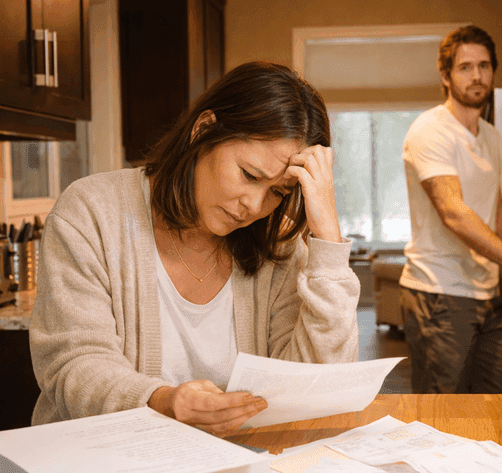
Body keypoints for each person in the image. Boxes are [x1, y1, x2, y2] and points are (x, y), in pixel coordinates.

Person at [29, 61, 360, 436]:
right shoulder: (92, 212)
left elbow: (314, 385)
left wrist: (328, 241)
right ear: (203, 130)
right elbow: (73, 364)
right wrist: (160, 401)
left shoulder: (277, 245)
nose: (254, 205)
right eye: (249, 175)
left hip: (233, 460)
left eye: (278, 192)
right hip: (100, 456)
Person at [399, 26, 502, 394]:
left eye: (484, 66)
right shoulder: (430, 130)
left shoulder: (490, 135)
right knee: (443, 412)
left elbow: (497, 209)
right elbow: (454, 213)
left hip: (487, 295)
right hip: (439, 294)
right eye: (465, 67)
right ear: (446, 76)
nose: (477, 76)